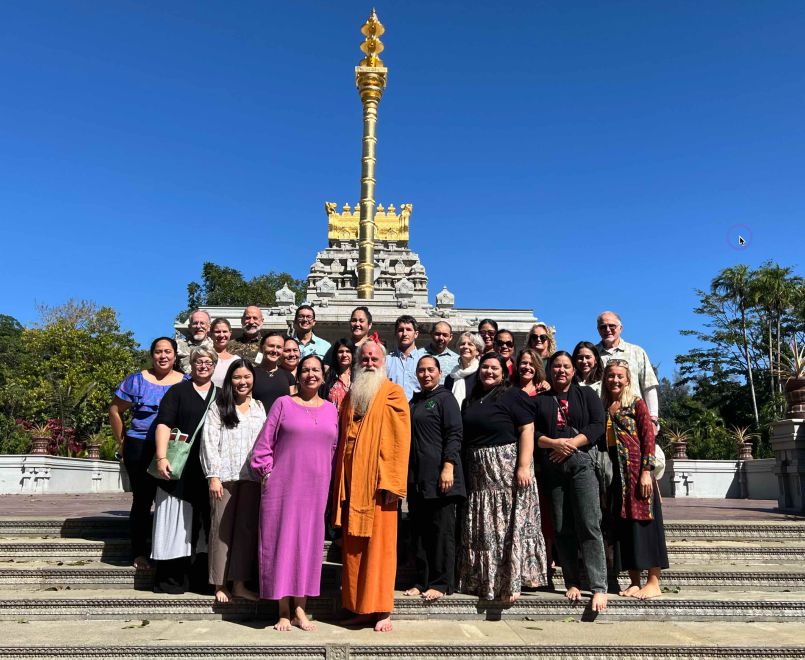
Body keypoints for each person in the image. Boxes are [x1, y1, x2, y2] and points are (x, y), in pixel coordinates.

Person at [251, 354, 339, 631]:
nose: (310, 374)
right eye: (305, 370)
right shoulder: (283, 404)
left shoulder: (331, 409)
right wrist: (266, 473)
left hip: (316, 490)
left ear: (323, 377)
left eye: (316, 370)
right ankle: (282, 610)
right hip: (283, 488)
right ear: (297, 375)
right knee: (282, 545)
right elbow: (263, 446)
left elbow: (334, 451)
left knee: (308, 547)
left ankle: (301, 609)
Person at [331, 341, 410, 632]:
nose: (369, 362)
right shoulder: (353, 395)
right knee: (354, 551)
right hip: (353, 484)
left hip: (380, 488)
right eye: (364, 358)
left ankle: (382, 610)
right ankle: (357, 607)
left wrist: (392, 482)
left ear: (383, 362)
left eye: (375, 358)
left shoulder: (393, 393)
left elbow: (400, 441)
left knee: (380, 550)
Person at [458, 352, 547, 602]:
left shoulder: (513, 395)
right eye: (485, 367)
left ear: (504, 371)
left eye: (494, 368)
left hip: (505, 468)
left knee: (506, 527)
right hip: (479, 472)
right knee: (485, 528)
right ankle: (486, 580)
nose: (489, 372)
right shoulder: (472, 398)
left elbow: (527, 430)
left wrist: (523, 465)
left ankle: (511, 581)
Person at [534, 351, 608, 612]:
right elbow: (533, 433)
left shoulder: (585, 394)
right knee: (562, 526)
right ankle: (572, 581)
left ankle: (599, 586)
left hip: (581, 464)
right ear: (549, 370)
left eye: (566, 366)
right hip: (553, 467)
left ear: (573, 370)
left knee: (589, 523)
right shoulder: (541, 400)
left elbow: (598, 424)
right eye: (556, 366)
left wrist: (572, 444)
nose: (561, 371)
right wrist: (555, 443)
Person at [109, 337, 186, 570]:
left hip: (172, 448)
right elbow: (115, 410)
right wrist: (121, 441)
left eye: (168, 352)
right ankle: (139, 552)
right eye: (158, 352)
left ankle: (171, 552)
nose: (163, 356)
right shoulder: (137, 380)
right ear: (152, 355)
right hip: (139, 445)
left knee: (173, 501)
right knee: (142, 500)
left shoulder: (186, 382)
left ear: (175, 355)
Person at [151, 346, 218, 594]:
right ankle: (172, 579)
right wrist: (160, 458)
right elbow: (163, 424)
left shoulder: (220, 395)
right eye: (198, 361)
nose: (203, 365)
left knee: (204, 525)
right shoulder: (177, 391)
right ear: (191, 365)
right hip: (178, 467)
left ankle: (202, 579)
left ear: (214, 366)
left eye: (208, 362)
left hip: (207, 469)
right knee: (175, 522)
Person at [602, 359, 668, 599]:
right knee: (626, 528)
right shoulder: (605, 406)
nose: (615, 380)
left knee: (646, 525)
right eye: (611, 376)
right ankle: (634, 580)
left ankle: (653, 581)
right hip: (618, 478)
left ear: (628, 378)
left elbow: (648, 438)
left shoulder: (636, 404)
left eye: (620, 376)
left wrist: (646, 472)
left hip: (638, 474)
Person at [201, 358, 264, 604]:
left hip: (252, 478)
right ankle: (219, 583)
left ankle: (239, 583)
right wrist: (213, 476)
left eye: (247, 377)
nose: (242, 382)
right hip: (224, 478)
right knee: (220, 531)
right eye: (237, 377)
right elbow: (209, 442)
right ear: (230, 380)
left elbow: (265, 442)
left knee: (245, 532)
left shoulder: (259, 407)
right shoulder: (219, 407)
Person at [404, 355, 465, 601]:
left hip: (441, 476)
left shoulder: (445, 399)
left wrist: (448, 466)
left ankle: (441, 583)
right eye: (421, 370)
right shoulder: (415, 401)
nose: (426, 374)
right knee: (420, 531)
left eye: (431, 370)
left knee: (441, 531)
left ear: (439, 373)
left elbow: (454, 433)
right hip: (417, 477)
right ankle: (421, 580)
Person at [595, 311, 660, 431]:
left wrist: (653, 419)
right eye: (603, 327)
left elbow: (649, 386)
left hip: (634, 419)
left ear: (621, 328)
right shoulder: (591, 355)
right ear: (598, 330)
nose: (607, 329)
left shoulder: (637, 352)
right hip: (601, 420)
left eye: (612, 326)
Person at [252, 331, 295, 413]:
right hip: (258, 423)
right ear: (261, 348)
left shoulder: (288, 376)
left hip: (281, 423)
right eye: (271, 346)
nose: (275, 350)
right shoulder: (251, 374)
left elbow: (293, 405)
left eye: (279, 347)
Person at [386, 314, 425, 401]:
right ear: (395, 334)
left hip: (417, 411)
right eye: (400, 330)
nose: (404, 334)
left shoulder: (424, 361)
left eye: (408, 330)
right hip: (392, 410)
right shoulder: (386, 361)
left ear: (416, 334)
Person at [444, 331, 483, 409]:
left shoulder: (482, 375)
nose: (465, 346)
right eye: (462, 344)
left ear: (477, 351)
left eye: (470, 344)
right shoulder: (451, 377)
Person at [322, 338, 353, 411]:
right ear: (336, 355)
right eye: (341, 352)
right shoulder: (327, 377)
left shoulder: (358, 377)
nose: (344, 355)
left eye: (348, 351)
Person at [210, 318, 237, 387]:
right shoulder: (205, 357)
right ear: (211, 334)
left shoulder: (236, 360)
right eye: (217, 332)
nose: (221, 335)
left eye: (225, 331)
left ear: (230, 333)